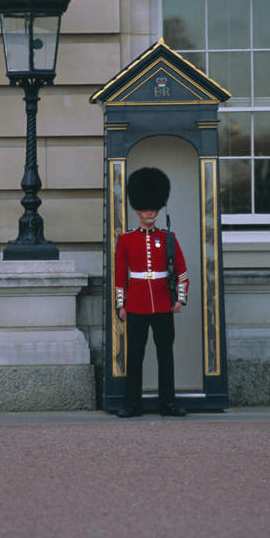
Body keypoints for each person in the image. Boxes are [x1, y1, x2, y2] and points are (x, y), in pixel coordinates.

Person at [115, 167, 189, 418]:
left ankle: (168, 404)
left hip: (162, 304)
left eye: (153, 208)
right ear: (138, 210)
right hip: (136, 304)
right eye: (146, 208)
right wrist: (121, 305)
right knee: (135, 357)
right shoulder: (126, 240)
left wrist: (180, 298)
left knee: (165, 357)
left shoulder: (168, 237)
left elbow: (182, 271)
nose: (149, 212)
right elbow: (119, 276)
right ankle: (131, 404)